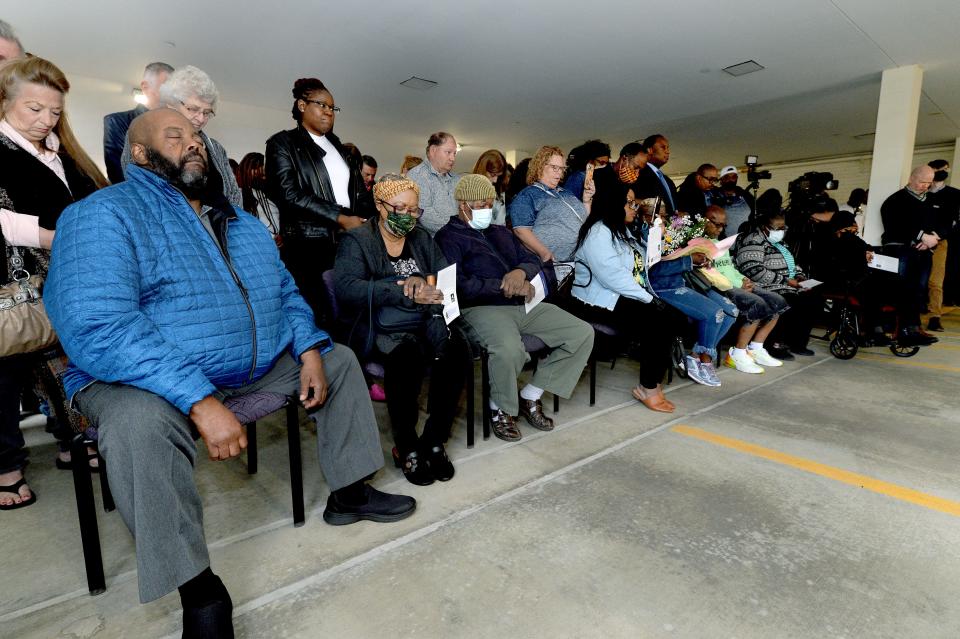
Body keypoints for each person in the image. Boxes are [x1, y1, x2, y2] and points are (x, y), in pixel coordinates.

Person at [45, 109, 415, 635]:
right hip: (142, 379)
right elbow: (99, 326)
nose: (193, 143)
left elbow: (286, 294)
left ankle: (350, 493)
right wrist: (199, 399)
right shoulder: (102, 214)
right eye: (175, 137)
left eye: (197, 137)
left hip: (251, 365)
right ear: (140, 156)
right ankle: (199, 591)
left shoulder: (241, 222)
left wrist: (309, 348)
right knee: (137, 426)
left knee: (339, 358)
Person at [0, 56, 107, 510]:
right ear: (4, 103)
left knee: (69, 358)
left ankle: (72, 436)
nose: (46, 121)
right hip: (15, 281)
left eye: (55, 112)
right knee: (7, 368)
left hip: (69, 275)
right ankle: (5, 464)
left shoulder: (64, 153)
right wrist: (50, 236)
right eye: (34, 110)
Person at [435, 175, 593, 441]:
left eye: (489, 202)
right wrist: (502, 285)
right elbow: (457, 285)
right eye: (479, 204)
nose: (486, 208)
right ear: (462, 205)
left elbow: (532, 258)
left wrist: (520, 273)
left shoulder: (500, 231)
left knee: (581, 333)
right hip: (481, 309)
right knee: (508, 349)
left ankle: (530, 395)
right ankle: (500, 408)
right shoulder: (447, 238)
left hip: (522, 303)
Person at [334, 174, 466, 485]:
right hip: (382, 326)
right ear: (380, 206)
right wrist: (401, 287)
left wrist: (431, 294)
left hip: (426, 319)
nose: (408, 216)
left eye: (414, 210)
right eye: (400, 208)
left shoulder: (421, 238)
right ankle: (406, 444)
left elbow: (443, 276)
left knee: (457, 352)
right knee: (407, 358)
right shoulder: (359, 240)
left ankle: (434, 439)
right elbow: (347, 288)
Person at [265, 77, 374, 323]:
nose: (328, 112)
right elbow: (288, 194)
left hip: (347, 242)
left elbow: (359, 194)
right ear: (302, 106)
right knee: (317, 315)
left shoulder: (339, 148)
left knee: (350, 313)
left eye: (332, 108)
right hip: (308, 245)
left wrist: (380, 210)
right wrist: (339, 217)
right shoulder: (283, 144)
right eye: (321, 105)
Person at [568, 183, 677, 412]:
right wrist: (648, 299)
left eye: (634, 203)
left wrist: (656, 232)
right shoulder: (598, 231)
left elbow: (642, 262)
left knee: (670, 316)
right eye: (629, 202)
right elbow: (612, 276)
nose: (634, 207)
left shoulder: (621, 230)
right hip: (595, 301)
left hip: (617, 295)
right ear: (612, 203)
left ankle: (652, 383)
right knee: (657, 320)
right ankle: (649, 387)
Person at [119, 65, 241, 210]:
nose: (201, 118)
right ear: (171, 105)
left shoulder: (216, 149)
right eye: (193, 109)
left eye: (207, 112)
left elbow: (233, 197)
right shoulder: (144, 135)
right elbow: (136, 187)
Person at [649, 208, 738, 387]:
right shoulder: (649, 235)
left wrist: (701, 259)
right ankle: (705, 360)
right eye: (659, 214)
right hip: (664, 287)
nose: (663, 217)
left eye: (665, 214)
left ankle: (694, 356)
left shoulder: (675, 232)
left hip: (687, 281)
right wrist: (688, 261)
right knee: (715, 313)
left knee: (731, 311)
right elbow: (653, 272)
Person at [702, 206, 787, 373]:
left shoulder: (721, 242)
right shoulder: (699, 244)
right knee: (756, 304)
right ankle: (738, 352)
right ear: (704, 221)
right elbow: (711, 274)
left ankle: (756, 347)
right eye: (716, 224)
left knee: (777, 301)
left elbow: (729, 267)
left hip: (737, 282)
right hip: (722, 286)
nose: (720, 229)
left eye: (723, 226)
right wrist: (737, 284)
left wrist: (743, 278)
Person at [733, 207, 822, 357]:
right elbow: (754, 270)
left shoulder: (781, 244)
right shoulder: (753, 241)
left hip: (788, 285)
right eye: (778, 228)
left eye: (783, 227)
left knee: (814, 300)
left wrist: (800, 276)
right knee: (789, 301)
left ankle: (797, 343)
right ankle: (773, 345)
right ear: (765, 227)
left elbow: (792, 264)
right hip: (766, 286)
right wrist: (787, 281)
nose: (781, 231)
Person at [880, 165, 941, 345]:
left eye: (929, 183)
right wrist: (921, 236)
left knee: (919, 291)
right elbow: (895, 225)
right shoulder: (895, 201)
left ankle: (914, 328)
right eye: (922, 182)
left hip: (923, 251)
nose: (925, 186)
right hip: (902, 250)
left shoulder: (930, 201)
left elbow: (944, 222)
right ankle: (902, 330)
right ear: (912, 178)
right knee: (904, 290)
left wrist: (933, 238)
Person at [509, 145, 592, 264]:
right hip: (557, 264)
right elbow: (521, 230)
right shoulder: (527, 195)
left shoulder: (566, 193)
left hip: (583, 261)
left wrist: (587, 201)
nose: (559, 173)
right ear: (540, 166)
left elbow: (585, 220)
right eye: (554, 167)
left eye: (562, 168)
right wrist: (544, 253)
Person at [102, 62, 172, 184]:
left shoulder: (178, 127)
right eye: (167, 86)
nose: (173, 93)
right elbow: (118, 174)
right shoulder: (117, 121)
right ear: (145, 87)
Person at [925, 160, 959, 332]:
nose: (942, 172)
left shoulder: (954, 194)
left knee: (935, 280)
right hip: (919, 241)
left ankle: (934, 317)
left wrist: (938, 235)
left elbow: (955, 221)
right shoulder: (923, 193)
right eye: (938, 170)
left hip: (940, 241)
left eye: (945, 169)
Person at [406, 132, 460, 235]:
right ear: (433, 150)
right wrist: (457, 232)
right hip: (432, 243)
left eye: (454, 153)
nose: (452, 158)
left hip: (456, 239)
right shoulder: (417, 175)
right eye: (448, 152)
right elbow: (425, 214)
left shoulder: (456, 179)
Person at [236, 152, 281, 245]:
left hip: (273, 249)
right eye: (254, 169)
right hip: (253, 247)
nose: (259, 173)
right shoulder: (238, 195)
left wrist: (280, 236)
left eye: (263, 174)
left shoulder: (272, 194)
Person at [632, 134, 678, 215]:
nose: (668, 152)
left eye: (668, 148)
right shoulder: (638, 173)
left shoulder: (668, 181)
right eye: (663, 147)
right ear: (650, 150)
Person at [472, 149, 509, 225]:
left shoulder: (500, 191)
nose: (495, 180)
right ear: (482, 170)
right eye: (493, 175)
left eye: (499, 176)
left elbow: (501, 223)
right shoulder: (467, 190)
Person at [717, 165, 755, 234]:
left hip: (744, 239)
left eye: (733, 177)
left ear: (737, 178)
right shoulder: (715, 195)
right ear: (721, 179)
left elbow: (754, 214)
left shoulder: (746, 195)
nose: (730, 180)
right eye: (726, 177)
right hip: (723, 240)